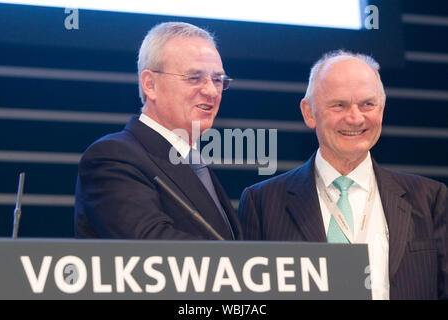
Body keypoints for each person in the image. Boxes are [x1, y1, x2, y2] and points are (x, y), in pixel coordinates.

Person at [237, 50, 447, 300]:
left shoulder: (430, 199)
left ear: (381, 109)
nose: (355, 118)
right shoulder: (262, 203)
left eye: (367, 104)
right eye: (339, 105)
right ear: (309, 113)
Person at [74, 22, 242, 240]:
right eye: (194, 78)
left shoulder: (194, 163)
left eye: (218, 80)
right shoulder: (112, 157)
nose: (211, 90)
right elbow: (151, 247)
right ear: (150, 84)